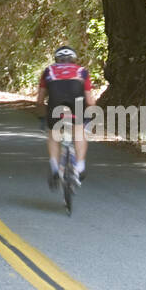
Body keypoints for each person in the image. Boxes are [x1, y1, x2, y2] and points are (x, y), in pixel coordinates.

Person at [36, 46, 96, 189]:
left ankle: (55, 169)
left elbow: (39, 100)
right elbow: (90, 101)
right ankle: (80, 167)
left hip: (55, 105)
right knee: (79, 131)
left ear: (56, 59)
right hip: (76, 103)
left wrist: (42, 117)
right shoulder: (82, 71)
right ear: (74, 60)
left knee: (53, 135)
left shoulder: (48, 71)